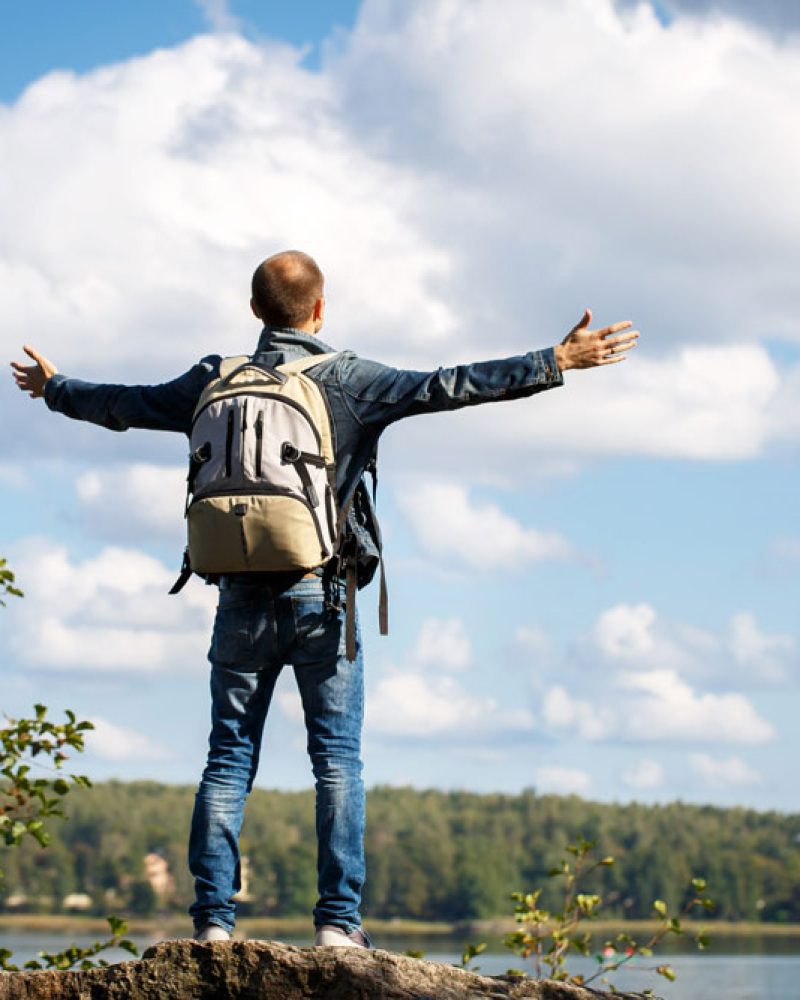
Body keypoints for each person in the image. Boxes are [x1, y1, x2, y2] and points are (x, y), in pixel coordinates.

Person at [11, 250, 639, 947]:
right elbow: (449, 385)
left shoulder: (209, 380)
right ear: (320, 310)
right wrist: (555, 361)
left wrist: (55, 386)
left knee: (226, 760)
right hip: (321, 597)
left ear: (255, 312)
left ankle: (214, 925)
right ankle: (339, 928)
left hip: (239, 598)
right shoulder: (348, 379)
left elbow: (122, 405)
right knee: (336, 761)